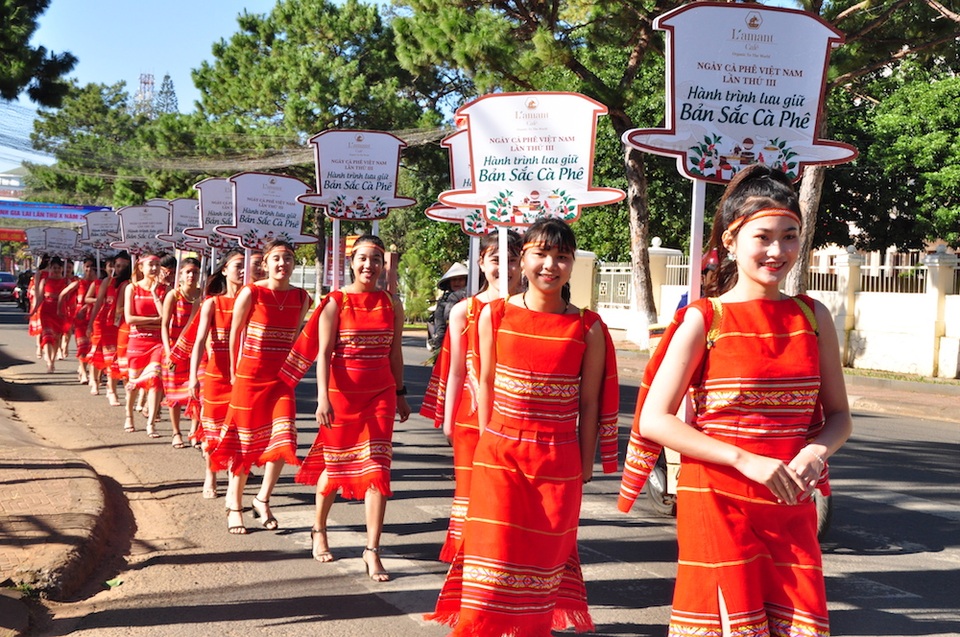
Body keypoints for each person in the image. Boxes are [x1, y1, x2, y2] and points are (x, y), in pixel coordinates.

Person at [618, 164, 852, 637]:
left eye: (789, 237)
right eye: (762, 237)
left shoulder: (813, 317)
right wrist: (745, 460)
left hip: (790, 499)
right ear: (730, 240)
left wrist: (816, 451)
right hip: (718, 497)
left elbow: (839, 416)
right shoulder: (706, 319)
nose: (777, 251)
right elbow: (655, 420)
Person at [427, 218, 620, 636]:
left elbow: (589, 403)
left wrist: (584, 465)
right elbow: (486, 386)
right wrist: (487, 446)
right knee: (493, 562)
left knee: (541, 565)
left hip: (558, 464)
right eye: (541, 253)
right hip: (500, 458)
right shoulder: (493, 315)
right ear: (524, 259)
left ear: (572, 263)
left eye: (562, 256)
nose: (550, 265)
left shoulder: (589, 327)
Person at [280, 234, 410, 580]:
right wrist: (322, 398)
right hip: (342, 396)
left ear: (383, 265)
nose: (369, 265)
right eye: (363, 259)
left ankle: (372, 550)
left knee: (378, 468)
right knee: (335, 467)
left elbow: (395, 352)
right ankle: (319, 529)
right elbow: (323, 355)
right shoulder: (335, 302)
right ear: (351, 262)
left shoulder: (391, 303)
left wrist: (400, 392)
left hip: (380, 394)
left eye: (376, 259)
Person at [420, 230, 523, 562]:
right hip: (471, 420)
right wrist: (448, 421)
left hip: (517, 423)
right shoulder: (464, 311)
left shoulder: (532, 310)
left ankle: (508, 562)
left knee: (512, 496)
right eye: (496, 260)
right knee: (472, 491)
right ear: (481, 262)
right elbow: (455, 370)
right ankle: (469, 562)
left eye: (512, 260)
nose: (504, 268)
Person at [209, 240, 311, 535]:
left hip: (281, 380)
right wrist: (233, 372)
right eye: (276, 258)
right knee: (245, 442)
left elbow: (296, 337)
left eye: (288, 258)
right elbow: (234, 333)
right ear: (265, 264)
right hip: (249, 377)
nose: (282, 264)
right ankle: (234, 504)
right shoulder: (251, 292)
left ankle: (262, 499)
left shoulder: (302, 297)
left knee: (283, 438)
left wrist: (295, 371)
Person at [188, 249, 245, 498]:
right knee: (212, 430)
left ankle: (234, 480)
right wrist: (193, 377)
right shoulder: (213, 303)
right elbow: (200, 340)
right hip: (216, 375)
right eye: (238, 265)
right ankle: (211, 475)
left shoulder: (254, 300)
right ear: (224, 270)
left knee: (238, 430)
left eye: (247, 265)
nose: (243, 271)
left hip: (244, 376)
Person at [123, 252, 167, 435]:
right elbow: (129, 318)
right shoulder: (132, 288)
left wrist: (155, 293)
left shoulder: (165, 290)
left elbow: (165, 317)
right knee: (134, 382)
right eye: (151, 265)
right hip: (137, 341)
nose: (155, 268)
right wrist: (154, 320)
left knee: (156, 378)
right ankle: (129, 415)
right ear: (141, 267)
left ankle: (151, 423)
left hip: (157, 342)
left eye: (157, 265)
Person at [161, 257, 201, 449]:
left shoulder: (203, 295)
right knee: (174, 395)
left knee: (197, 391)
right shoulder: (173, 295)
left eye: (195, 272)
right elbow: (164, 325)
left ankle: (194, 430)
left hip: (196, 350)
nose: (191, 275)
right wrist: (170, 352)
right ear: (181, 274)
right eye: (188, 272)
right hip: (175, 349)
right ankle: (176, 432)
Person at [87, 253, 130, 406]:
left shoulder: (132, 283)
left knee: (124, 360)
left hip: (126, 325)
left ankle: (128, 391)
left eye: (124, 266)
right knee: (111, 358)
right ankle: (111, 390)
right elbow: (98, 303)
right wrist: (90, 323)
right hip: (108, 324)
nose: (120, 269)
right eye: (117, 266)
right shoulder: (107, 281)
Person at [59, 257, 98, 384]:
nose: (89, 270)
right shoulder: (79, 283)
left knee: (93, 347)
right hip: (80, 318)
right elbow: (62, 294)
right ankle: (83, 372)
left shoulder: (100, 284)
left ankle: (92, 374)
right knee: (82, 346)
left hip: (96, 317)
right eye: (87, 266)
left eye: (92, 267)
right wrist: (61, 309)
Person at [31, 256, 68, 373]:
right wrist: (33, 311)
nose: (56, 270)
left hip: (60, 312)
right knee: (47, 336)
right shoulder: (45, 281)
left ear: (62, 269)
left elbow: (69, 298)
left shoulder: (66, 281)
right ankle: (49, 362)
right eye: (54, 268)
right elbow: (40, 298)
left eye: (58, 268)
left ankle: (52, 360)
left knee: (57, 338)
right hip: (46, 311)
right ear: (50, 268)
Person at [428, 262, 469, 351]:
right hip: (448, 340)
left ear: (466, 281)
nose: (457, 282)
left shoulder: (471, 297)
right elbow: (440, 323)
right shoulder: (443, 301)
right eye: (454, 280)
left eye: (460, 279)